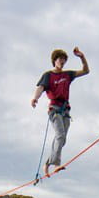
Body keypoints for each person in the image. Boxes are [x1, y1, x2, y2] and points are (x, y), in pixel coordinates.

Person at [31, 47, 90, 177]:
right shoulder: (48, 75)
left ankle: (47, 164)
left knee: (62, 140)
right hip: (55, 110)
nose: (62, 62)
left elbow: (86, 71)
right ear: (54, 61)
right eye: (60, 60)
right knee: (60, 135)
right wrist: (35, 98)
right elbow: (40, 87)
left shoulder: (67, 75)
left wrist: (82, 57)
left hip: (65, 110)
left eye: (64, 60)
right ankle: (56, 164)